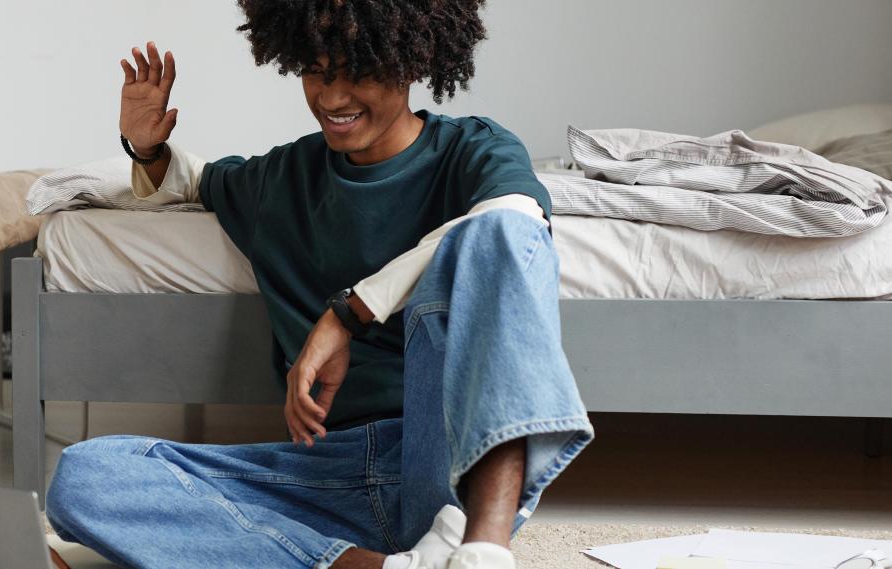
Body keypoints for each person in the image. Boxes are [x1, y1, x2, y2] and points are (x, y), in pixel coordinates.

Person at [46, 2, 594, 568]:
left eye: (356, 72)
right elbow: (194, 181)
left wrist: (349, 312)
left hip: (448, 460)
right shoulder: (283, 179)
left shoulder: (471, 150)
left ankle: (482, 549)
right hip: (327, 470)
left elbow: (515, 222)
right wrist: (146, 148)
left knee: (495, 233)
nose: (332, 99)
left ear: (408, 65)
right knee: (87, 476)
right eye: (317, 72)